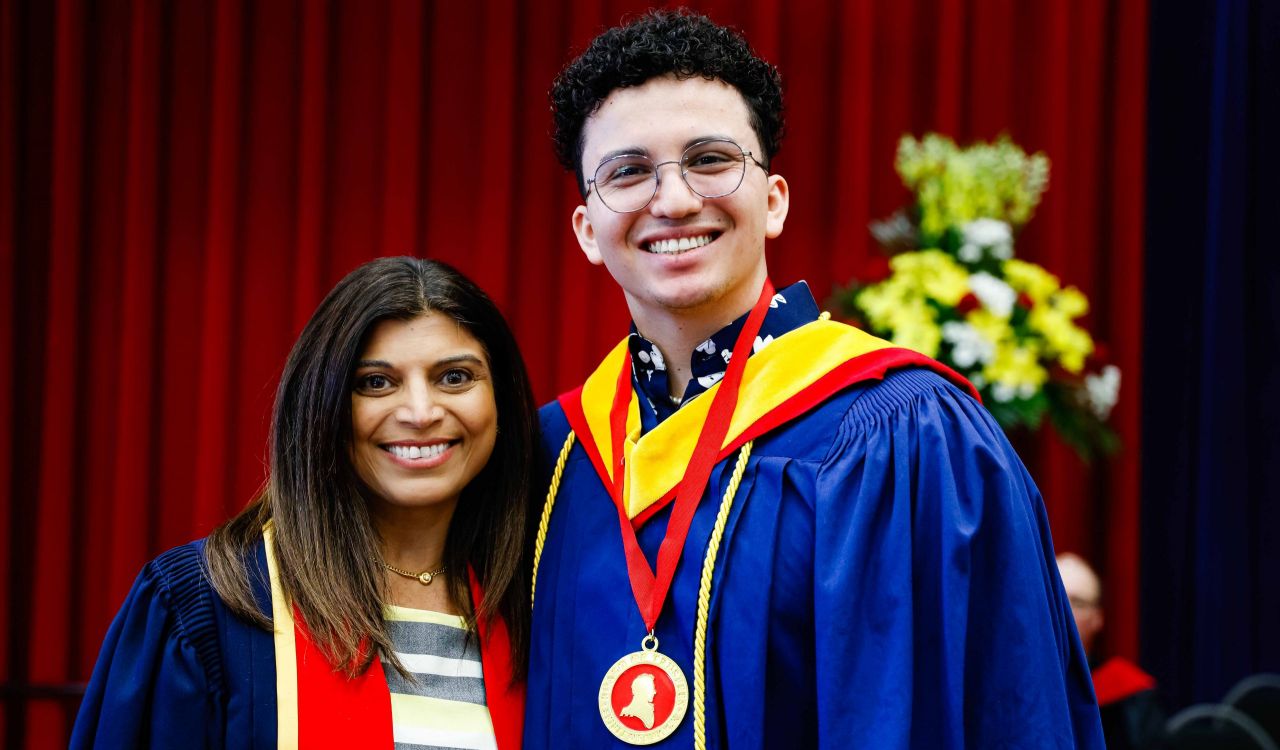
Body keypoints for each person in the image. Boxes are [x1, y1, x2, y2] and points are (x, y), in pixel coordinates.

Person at [525, 10, 1105, 748]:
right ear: (586, 230)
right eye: (629, 171)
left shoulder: (906, 435)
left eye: (710, 159)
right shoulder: (551, 455)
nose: (671, 200)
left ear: (773, 202)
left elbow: (1002, 712)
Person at [72, 257, 535, 749]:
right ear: (322, 404)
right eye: (375, 382)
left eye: (455, 377)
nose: (421, 412)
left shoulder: (535, 598)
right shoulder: (210, 608)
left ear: (500, 400)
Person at [1058, 553, 1167, 750]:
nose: (1064, 612)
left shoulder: (1129, 694)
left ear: (1097, 618)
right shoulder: (1014, 685)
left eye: (1077, 603)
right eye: (1056, 599)